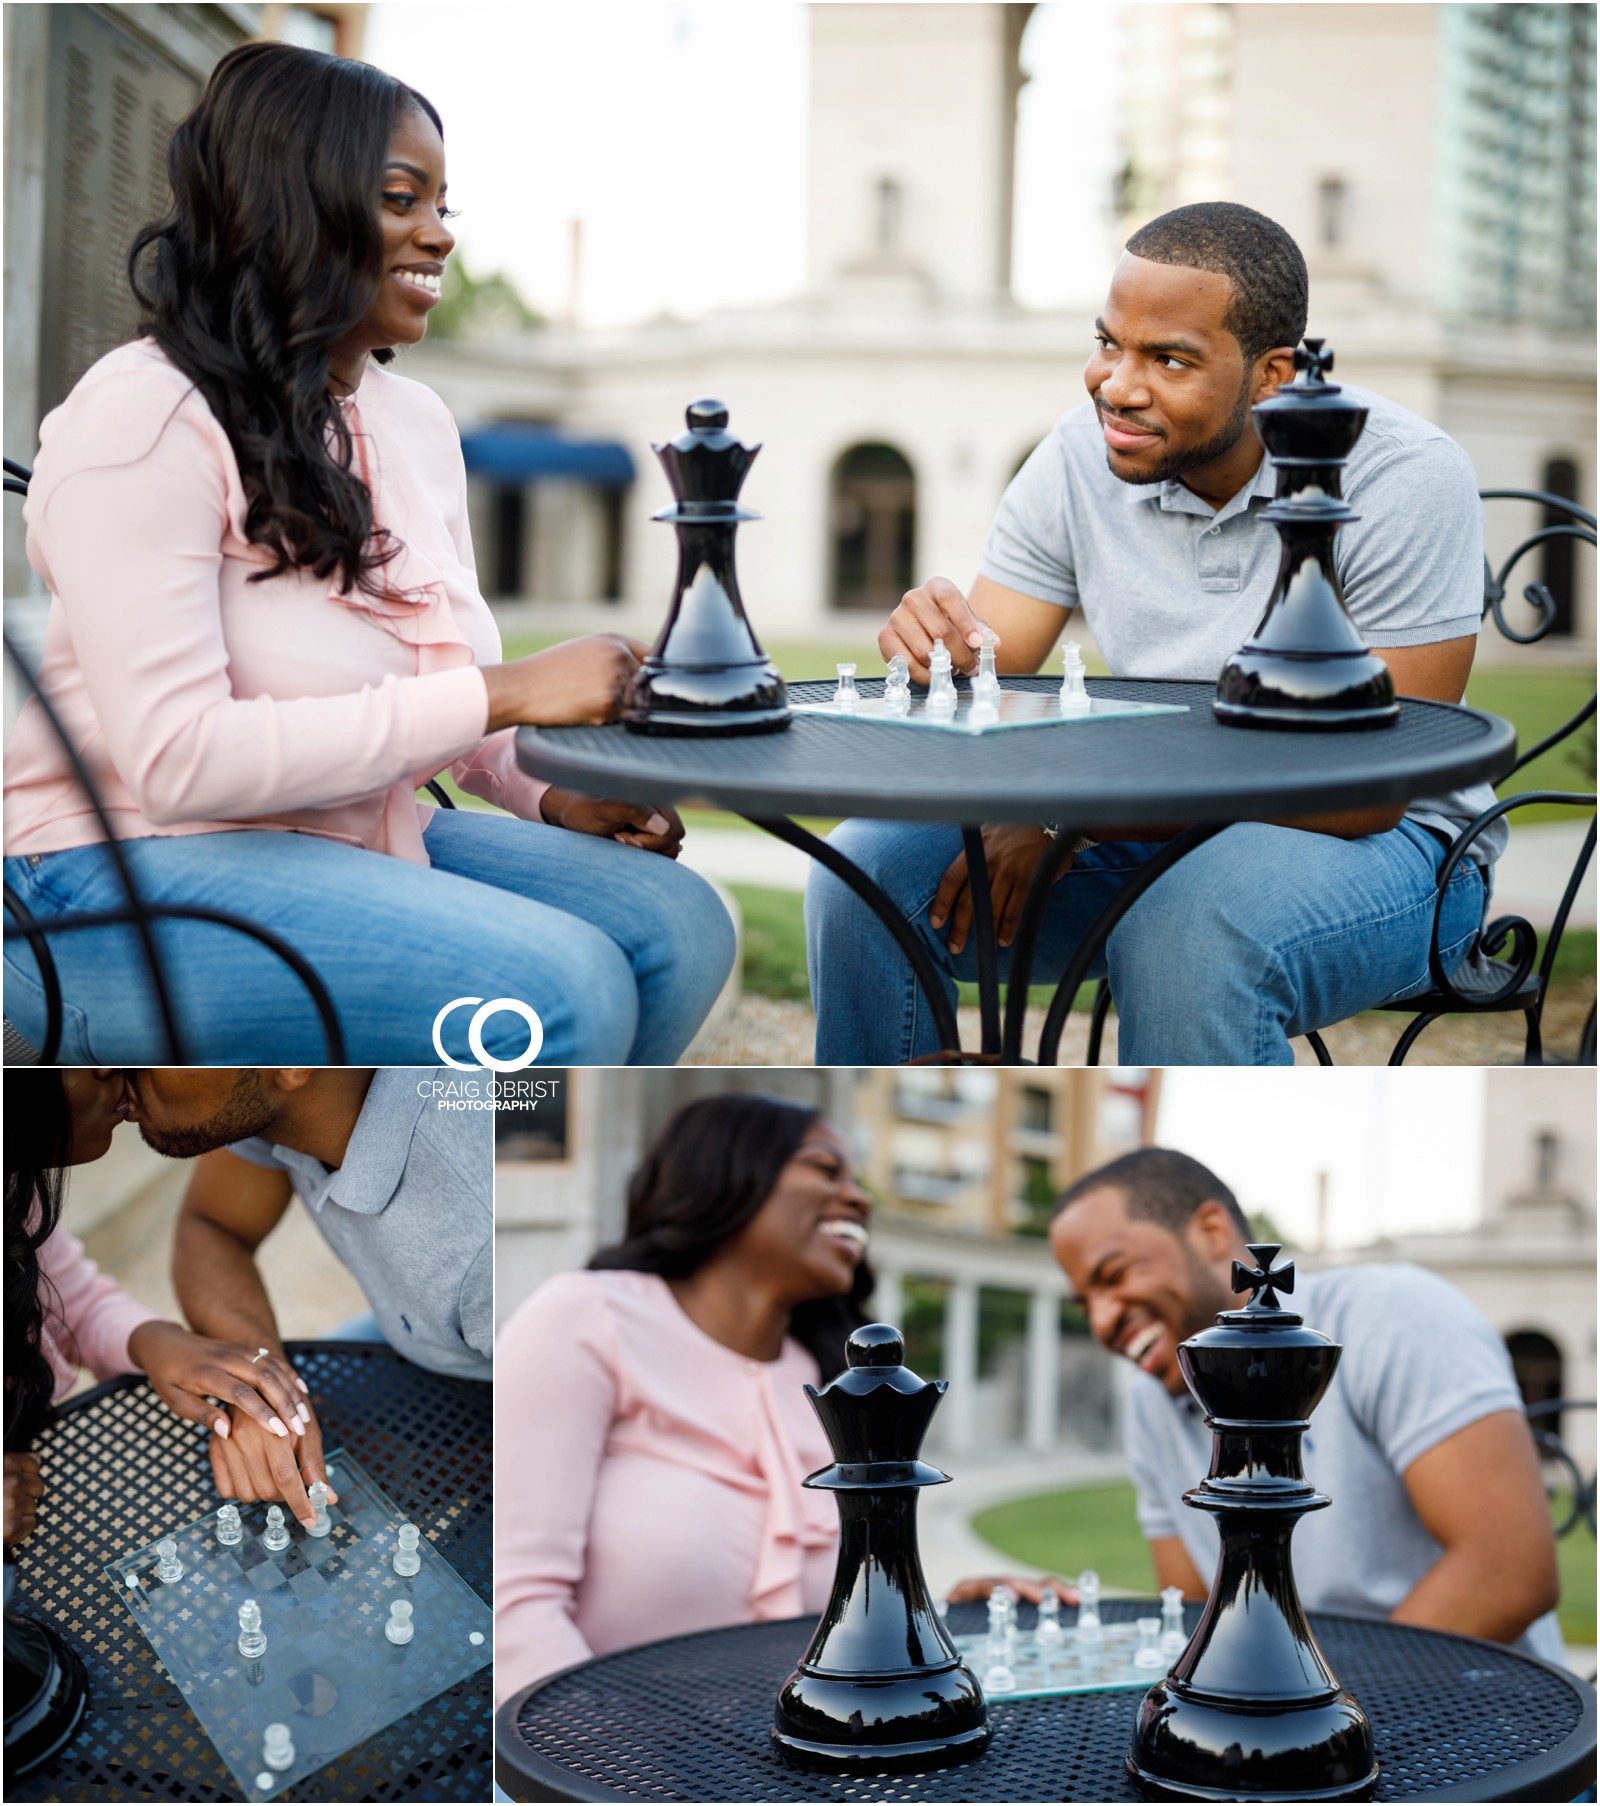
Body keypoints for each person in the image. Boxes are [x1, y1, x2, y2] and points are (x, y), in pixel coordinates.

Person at [2, 41, 734, 1065]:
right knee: (558, 993)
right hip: (103, 875)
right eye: (402, 199)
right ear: (289, 202)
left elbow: (435, 677)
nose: (439, 235)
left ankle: (435, 1158)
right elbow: (175, 763)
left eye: (443, 205)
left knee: (678, 928)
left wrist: (544, 792)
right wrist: (509, 694)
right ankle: (447, 1198)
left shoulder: (414, 421)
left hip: (345, 828)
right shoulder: (146, 415)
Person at [805, 201, 1497, 1065]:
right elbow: (993, 673)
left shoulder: (1404, 473)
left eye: (1168, 359)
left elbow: (1370, 787)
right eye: (1108, 345)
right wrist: (935, 652)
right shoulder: (1076, 453)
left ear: (1271, 375)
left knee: (1184, 930)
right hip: (1147, 820)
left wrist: (1071, 818)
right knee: (864, 874)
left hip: (1402, 851)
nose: (1117, 386)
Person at [1029, 1147, 1561, 1659]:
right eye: (1085, 1303)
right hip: (1293, 1721)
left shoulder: (1390, 1315)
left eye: (1115, 1275)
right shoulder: (1151, 1400)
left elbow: (1509, 1572)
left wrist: (1319, 1718)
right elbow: (1198, 1615)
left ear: (1212, 1232)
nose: (1100, 1323)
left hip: (1483, 1717)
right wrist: (1050, 1619)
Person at [494, 1093, 874, 1699]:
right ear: (725, 1168)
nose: (861, 1198)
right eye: (826, 1169)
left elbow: (860, 1626)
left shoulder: (831, 1382)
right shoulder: (588, 1317)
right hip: (588, 1778)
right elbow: (515, 1606)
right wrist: (630, 1779)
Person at [118, 1066, 492, 1530]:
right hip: (422, 1338)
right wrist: (262, 1384)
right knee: (241, 1458)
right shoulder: (266, 1101)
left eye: (161, 1044)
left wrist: (413, 1468)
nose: (105, 1066)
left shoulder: (488, 1236)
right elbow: (214, 1226)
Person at [4, 1070, 309, 1546]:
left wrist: (157, 1341)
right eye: (66, 1050)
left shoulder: (14, 1190)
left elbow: (73, 1306)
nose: (108, 1064)